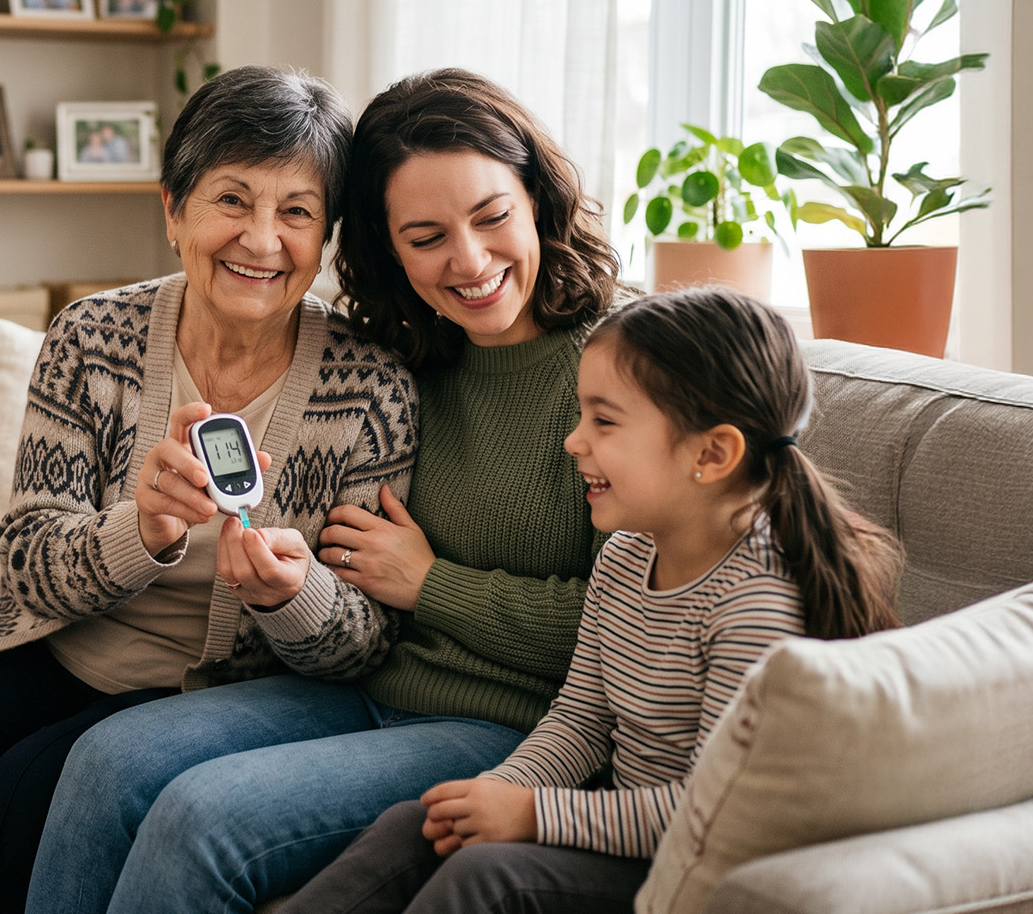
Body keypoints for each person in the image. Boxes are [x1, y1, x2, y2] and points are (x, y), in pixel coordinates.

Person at [0, 66, 419, 914]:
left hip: (211, 698)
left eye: (296, 211)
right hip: (57, 644)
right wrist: (141, 530)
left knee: (15, 811)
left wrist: (296, 595)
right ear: (173, 210)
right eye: (232, 200)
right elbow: (26, 561)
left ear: (325, 238)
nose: (261, 239)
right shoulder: (93, 338)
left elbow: (367, 643)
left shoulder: (372, 389)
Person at [27, 68, 626, 914]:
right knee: (104, 760)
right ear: (387, 249)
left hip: (517, 730)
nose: (469, 260)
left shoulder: (623, 372)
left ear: (538, 201)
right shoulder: (420, 360)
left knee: (203, 818)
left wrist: (431, 585)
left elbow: (634, 629)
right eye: (426, 237)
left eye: (492, 217)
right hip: (364, 691)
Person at [279, 286, 905, 914]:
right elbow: (580, 718)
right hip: (621, 832)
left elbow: (714, 812)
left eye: (604, 422)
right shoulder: (628, 554)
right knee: (416, 826)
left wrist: (535, 814)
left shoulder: (755, 604)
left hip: (704, 866)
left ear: (712, 454)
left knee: (489, 877)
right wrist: (496, 793)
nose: (575, 442)